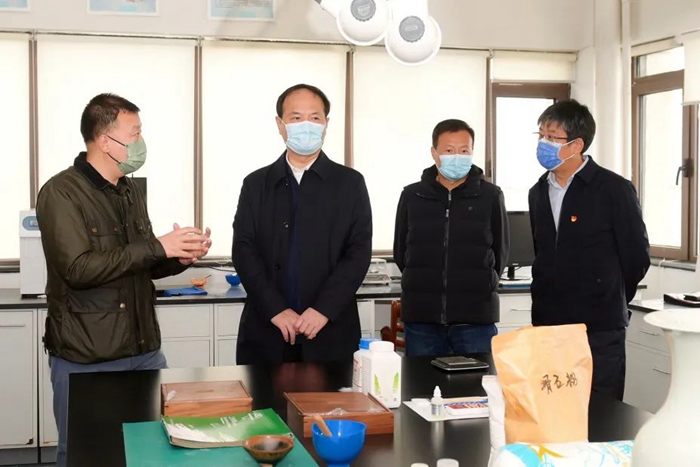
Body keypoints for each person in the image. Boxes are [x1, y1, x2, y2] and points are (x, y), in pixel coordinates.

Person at [36, 93, 212, 467]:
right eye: (135, 133)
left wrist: (177, 257)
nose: (141, 142)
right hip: (88, 358)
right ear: (105, 141)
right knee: (85, 454)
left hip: (144, 352)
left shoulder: (129, 190)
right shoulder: (61, 192)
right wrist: (157, 246)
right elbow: (78, 270)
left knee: (152, 452)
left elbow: (138, 264)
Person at [233, 84, 372, 364]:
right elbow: (244, 251)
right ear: (280, 124)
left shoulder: (350, 183)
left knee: (333, 394)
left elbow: (358, 253)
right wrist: (275, 309)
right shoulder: (256, 184)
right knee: (262, 393)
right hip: (267, 329)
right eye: (296, 118)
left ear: (326, 124)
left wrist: (323, 310)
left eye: (314, 118)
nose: (306, 125)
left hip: (330, 330)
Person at [528, 99, 650, 401]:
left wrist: (608, 294)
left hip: (599, 327)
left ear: (576, 144)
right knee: (555, 407)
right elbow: (543, 252)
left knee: (601, 410)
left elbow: (636, 256)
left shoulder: (613, 189)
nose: (543, 143)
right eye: (540, 135)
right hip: (549, 325)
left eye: (551, 137)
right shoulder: (538, 191)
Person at [393, 119, 509, 356]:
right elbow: (401, 251)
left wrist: (483, 283)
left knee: (477, 378)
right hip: (422, 318)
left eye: (464, 151)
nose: (457, 157)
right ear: (434, 153)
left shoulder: (490, 195)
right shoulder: (412, 195)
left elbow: (501, 251)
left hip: (475, 318)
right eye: (449, 150)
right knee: (422, 379)